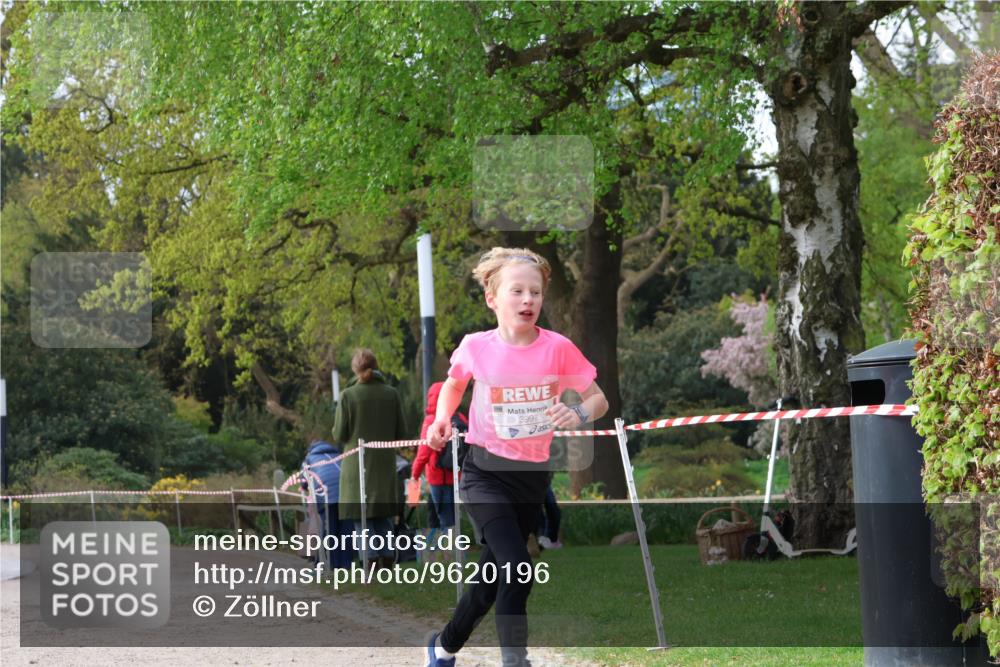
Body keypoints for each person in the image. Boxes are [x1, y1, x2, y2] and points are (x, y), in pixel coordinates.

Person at [424, 247, 609, 667]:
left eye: (536, 292)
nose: (528, 300)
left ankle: (442, 647)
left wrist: (577, 410)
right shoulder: (476, 346)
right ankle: (515, 661)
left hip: (530, 479)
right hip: (484, 472)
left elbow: (599, 399)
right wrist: (441, 419)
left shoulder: (558, 349)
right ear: (493, 298)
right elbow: (454, 384)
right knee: (518, 567)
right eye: (518, 291)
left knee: (491, 581)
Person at [333, 348, 408, 571]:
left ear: (355, 369)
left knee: (361, 519)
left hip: (357, 465)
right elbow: (401, 432)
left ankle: (370, 560)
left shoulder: (348, 396)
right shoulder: (391, 393)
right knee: (383, 515)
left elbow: (339, 435)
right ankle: (386, 559)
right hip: (384, 464)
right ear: (376, 366)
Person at [412, 382, 467, 532]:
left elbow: (423, 454)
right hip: (458, 476)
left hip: (438, 479)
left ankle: (450, 553)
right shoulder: (460, 417)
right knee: (455, 519)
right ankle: (458, 553)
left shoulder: (431, 421)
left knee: (445, 520)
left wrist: (414, 477)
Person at [301, 435, 356, 569]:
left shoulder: (309, 459)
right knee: (346, 530)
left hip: (326, 496)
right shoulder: (340, 455)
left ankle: (328, 563)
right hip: (346, 495)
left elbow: (304, 483)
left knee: (329, 530)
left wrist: (307, 487)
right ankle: (346, 564)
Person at [535, 475, 562, 550]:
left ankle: (551, 539)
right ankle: (541, 538)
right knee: (537, 511)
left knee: (553, 509)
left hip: (541, 479)